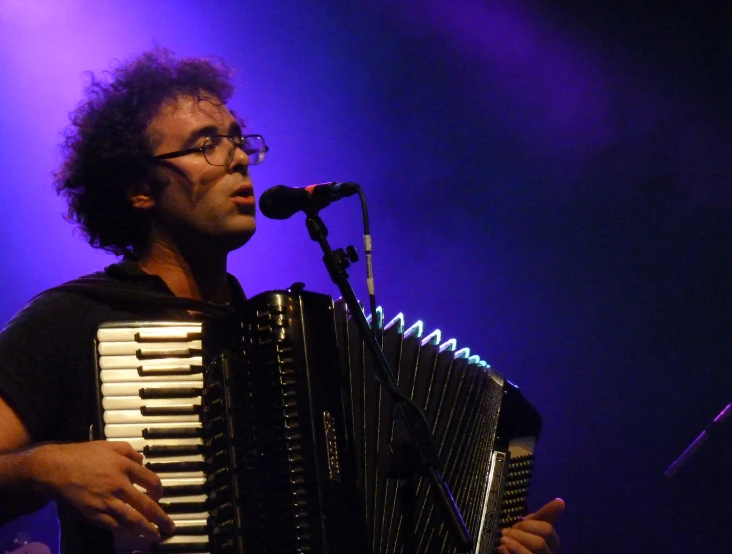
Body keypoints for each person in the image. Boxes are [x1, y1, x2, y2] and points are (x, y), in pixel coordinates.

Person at [0, 48, 563, 554]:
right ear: (140, 190)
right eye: (205, 145)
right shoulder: (75, 318)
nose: (239, 158)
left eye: (236, 139)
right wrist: (44, 468)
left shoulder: (293, 339)